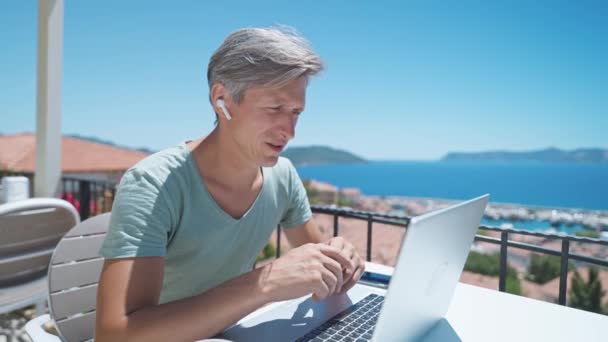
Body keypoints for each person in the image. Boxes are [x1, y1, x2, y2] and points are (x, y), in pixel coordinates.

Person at [95, 26, 365, 342]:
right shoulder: (154, 185)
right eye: (275, 108)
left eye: (296, 112)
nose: (289, 131)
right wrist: (263, 284)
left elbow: (316, 268)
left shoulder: (283, 175)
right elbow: (113, 336)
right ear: (221, 99)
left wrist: (337, 261)